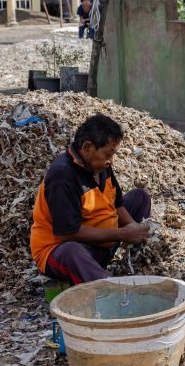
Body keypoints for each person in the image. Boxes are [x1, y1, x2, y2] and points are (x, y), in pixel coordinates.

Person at [30, 114, 151, 284]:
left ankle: (111, 265)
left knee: (140, 197)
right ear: (87, 147)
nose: (111, 160)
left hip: (102, 243)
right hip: (60, 250)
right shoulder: (63, 175)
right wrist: (123, 234)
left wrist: (133, 227)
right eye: (108, 154)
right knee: (72, 252)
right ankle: (109, 288)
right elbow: (68, 234)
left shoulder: (101, 165)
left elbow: (118, 205)